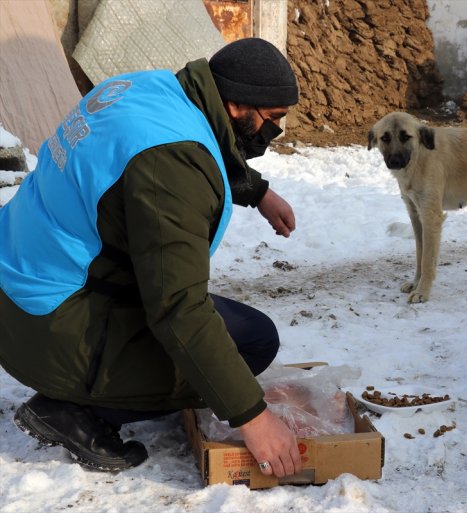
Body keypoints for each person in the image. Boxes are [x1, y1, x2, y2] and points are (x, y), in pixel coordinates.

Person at [0, 38, 303, 476]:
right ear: (237, 107)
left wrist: (255, 191)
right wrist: (252, 417)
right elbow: (178, 309)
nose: (275, 130)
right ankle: (75, 413)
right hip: (51, 324)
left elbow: (187, 143)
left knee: (244, 331)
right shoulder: (173, 165)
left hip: (20, 291)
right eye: (272, 119)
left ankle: (97, 389)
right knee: (252, 343)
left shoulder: (148, 90)